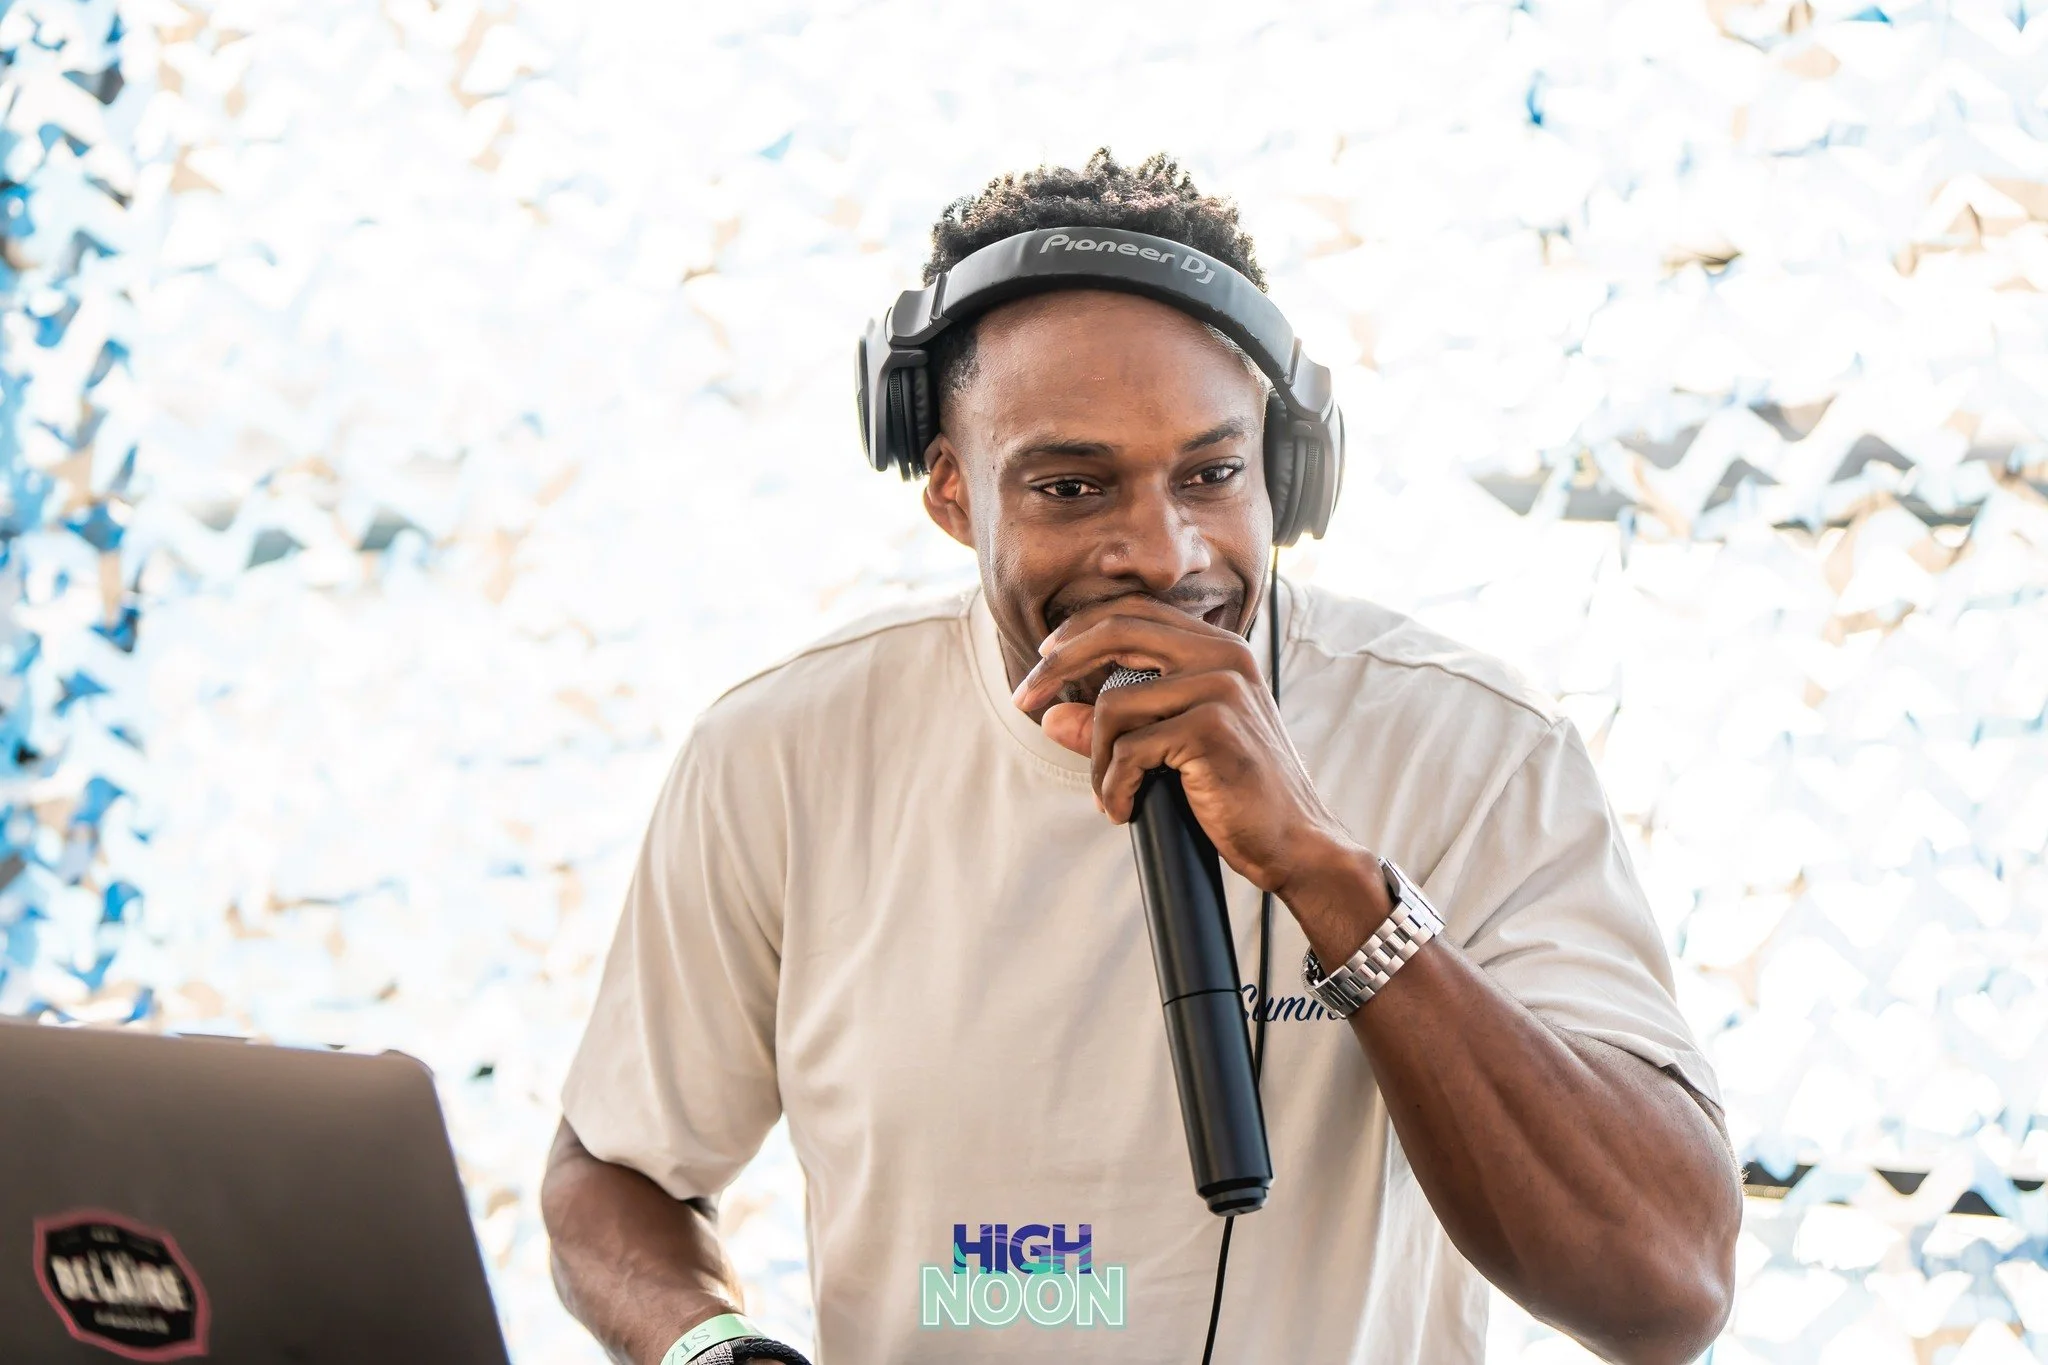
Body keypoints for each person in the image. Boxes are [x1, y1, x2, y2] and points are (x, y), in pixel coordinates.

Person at [541, 150, 1742, 1365]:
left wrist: (1329, 878)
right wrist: (710, 1350)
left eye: (1211, 475)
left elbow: (1664, 1290)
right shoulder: (783, 748)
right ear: (951, 491)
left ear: (1287, 469)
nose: (1163, 557)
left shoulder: (1471, 746)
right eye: (1071, 486)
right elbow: (610, 1176)